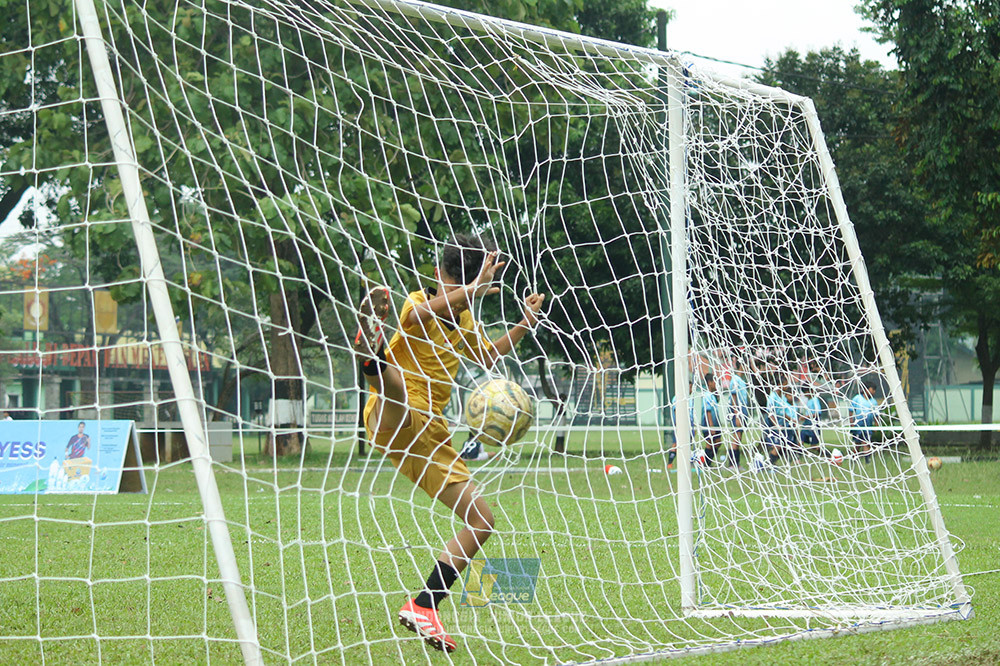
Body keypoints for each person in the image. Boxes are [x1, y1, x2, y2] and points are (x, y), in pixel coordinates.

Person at [353, 233, 544, 653]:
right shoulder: (415, 301)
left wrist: (525, 323)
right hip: (396, 412)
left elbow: (489, 358)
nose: (463, 301)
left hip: (432, 435)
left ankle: (424, 606)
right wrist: (469, 290)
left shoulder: (465, 320)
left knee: (483, 520)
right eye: (458, 290)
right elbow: (416, 317)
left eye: (470, 293)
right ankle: (372, 360)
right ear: (440, 275)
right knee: (398, 392)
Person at [764, 378, 797, 464]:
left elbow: (783, 413)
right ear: (779, 385)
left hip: (781, 423)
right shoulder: (772, 397)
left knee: (783, 445)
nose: (787, 386)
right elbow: (770, 414)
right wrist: (777, 425)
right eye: (785, 383)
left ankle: (771, 463)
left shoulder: (782, 397)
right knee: (778, 446)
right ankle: (767, 465)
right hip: (772, 423)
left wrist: (791, 420)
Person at [727, 365, 750, 470]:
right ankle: (732, 464)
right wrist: (737, 415)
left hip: (742, 411)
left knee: (738, 437)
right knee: (736, 437)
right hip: (737, 412)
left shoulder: (741, 380)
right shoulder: (735, 379)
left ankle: (736, 463)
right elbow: (733, 397)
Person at [849, 383, 880, 462]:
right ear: (866, 390)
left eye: (874, 390)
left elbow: (876, 415)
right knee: (858, 444)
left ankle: (867, 460)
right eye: (872, 389)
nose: (873, 391)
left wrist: (876, 425)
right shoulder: (857, 398)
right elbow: (851, 410)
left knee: (865, 442)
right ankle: (854, 458)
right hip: (858, 425)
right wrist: (851, 422)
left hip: (868, 425)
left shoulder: (873, 402)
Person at [701, 373, 722, 465]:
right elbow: (707, 411)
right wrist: (711, 426)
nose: (716, 384)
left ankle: (708, 462)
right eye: (715, 382)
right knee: (710, 442)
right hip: (708, 423)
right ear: (709, 382)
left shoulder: (712, 395)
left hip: (714, 423)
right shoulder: (707, 396)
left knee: (717, 442)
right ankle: (706, 464)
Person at [799, 386, 826, 454]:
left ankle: (825, 453)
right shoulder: (809, 400)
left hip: (814, 424)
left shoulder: (815, 400)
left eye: (805, 392)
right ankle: (799, 455)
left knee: (813, 446)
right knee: (801, 439)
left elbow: (818, 413)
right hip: (807, 424)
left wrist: (806, 417)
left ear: (809, 391)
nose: (805, 395)